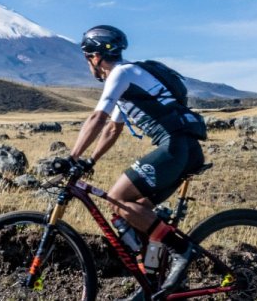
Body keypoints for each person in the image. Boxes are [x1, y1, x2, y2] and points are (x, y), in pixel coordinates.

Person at [68, 25, 207, 299]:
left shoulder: (120, 73)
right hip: (185, 147)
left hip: (174, 145)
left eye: (87, 58)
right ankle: (153, 283)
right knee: (140, 211)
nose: (88, 64)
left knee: (117, 198)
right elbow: (111, 129)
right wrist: (89, 160)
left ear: (95, 57)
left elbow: (98, 118)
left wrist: (71, 157)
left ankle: (181, 251)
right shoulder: (130, 77)